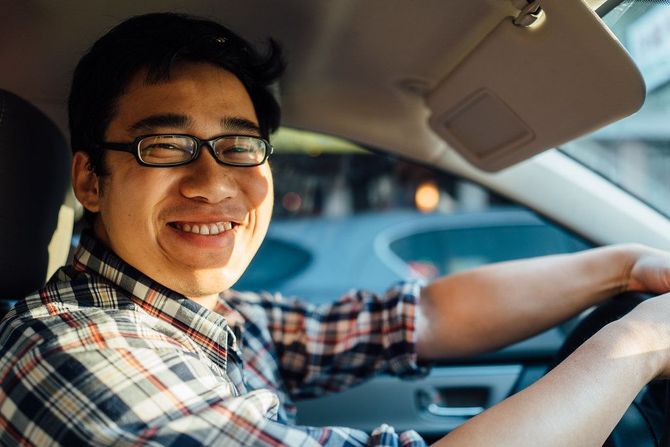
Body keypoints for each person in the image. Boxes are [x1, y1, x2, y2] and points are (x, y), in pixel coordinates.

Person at [1, 12, 670, 447]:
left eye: (239, 146)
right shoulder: (66, 345)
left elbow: (421, 316)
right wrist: (638, 343)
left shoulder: (202, 316)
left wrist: (625, 266)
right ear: (89, 180)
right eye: (167, 144)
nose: (213, 181)